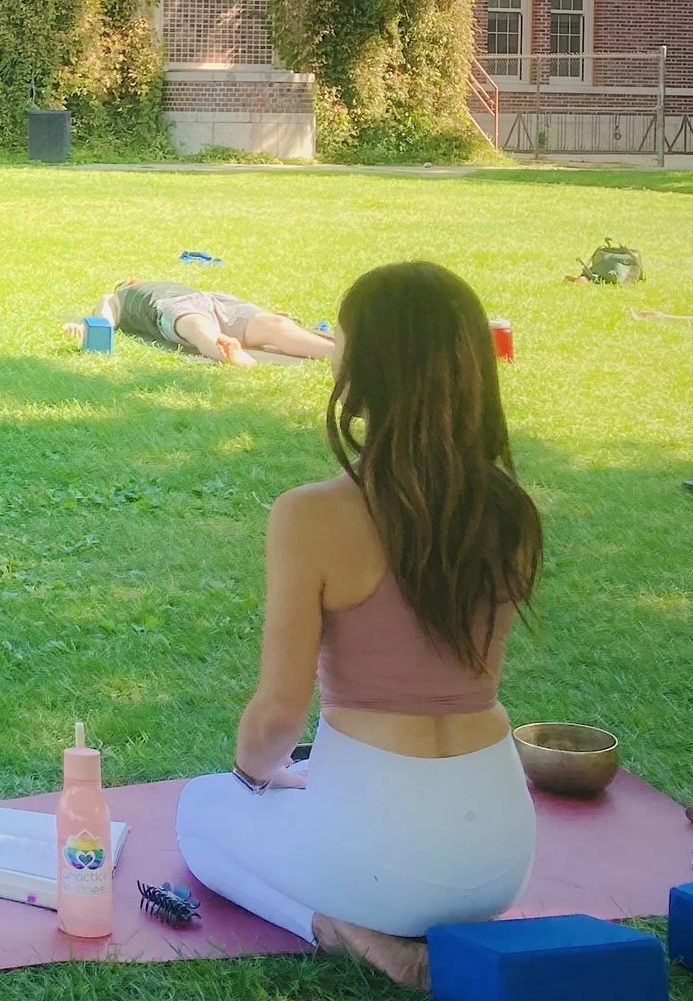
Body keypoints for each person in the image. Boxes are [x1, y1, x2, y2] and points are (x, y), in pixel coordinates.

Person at [173, 262, 543, 990]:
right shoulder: (513, 513)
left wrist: (257, 775)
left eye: (337, 336)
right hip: (501, 854)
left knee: (199, 814)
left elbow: (280, 712)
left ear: (367, 364)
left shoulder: (311, 514)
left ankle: (354, 932)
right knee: (308, 805)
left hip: (375, 855)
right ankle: (373, 913)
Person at [66, 278, 334, 366]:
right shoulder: (121, 295)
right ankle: (226, 350)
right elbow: (106, 311)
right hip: (172, 308)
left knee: (275, 326)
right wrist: (90, 328)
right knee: (197, 326)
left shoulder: (159, 285)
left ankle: (338, 352)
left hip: (214, 300)